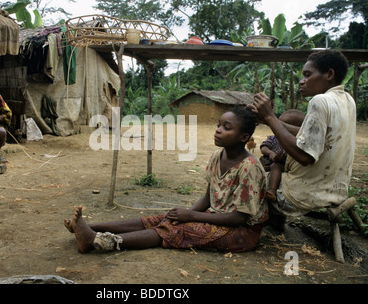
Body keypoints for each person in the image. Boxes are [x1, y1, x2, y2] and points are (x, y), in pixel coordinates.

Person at [64, 107, 268, 254]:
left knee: (176, 228)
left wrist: (192, 216)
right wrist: (186, 213)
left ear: (243, 137)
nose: (218, 130)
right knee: (163, 218)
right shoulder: (217, 156)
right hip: (217, 216)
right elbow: (208, 197)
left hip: (242, 232)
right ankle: (91, 228)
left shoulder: (249, 167)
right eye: (218, 125)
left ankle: (96, 241)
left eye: (226, 127)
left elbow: (239, 218)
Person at [252, 50, 356, 222]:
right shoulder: (347, 100)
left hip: (302, 195)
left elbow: (304, 156)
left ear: (329, 74)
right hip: (336, 191)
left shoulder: (320, 101)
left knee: (249, 175)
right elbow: (312, 135)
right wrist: (269, 120)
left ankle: (252, 224)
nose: (302, 81)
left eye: (307, 75)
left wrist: (270, 116)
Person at [259, 110, 305, 202]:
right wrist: (270, 153)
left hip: (289, 168)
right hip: (275, 165)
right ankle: (271, 191)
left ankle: (272, 190)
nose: (278, 128)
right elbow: (264, 147)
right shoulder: (274, 137)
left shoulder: (299, 142)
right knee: (275, 166)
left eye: (284, 126)